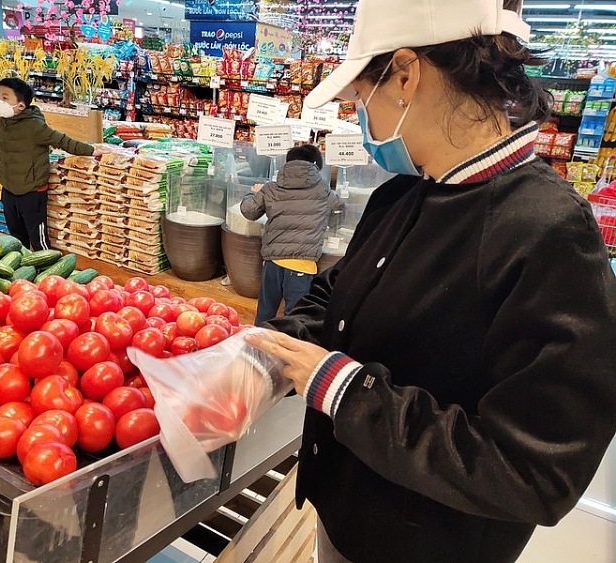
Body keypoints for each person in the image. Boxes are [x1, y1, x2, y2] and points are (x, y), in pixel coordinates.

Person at [243, 0, 616, 561]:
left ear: (406, 73)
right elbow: (334, 296)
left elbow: (536, 470)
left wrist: (342, 389)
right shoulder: (403, 194)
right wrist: (270, 348)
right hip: (345, 519)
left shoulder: (550, 233)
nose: (361, 123)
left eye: (359, 101)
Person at [240, 144, 343, 325]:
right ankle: (282, 351)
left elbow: (249, 211)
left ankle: (256, 349)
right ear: (316, 165)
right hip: (302, 264)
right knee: (293, 318)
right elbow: (339, 215)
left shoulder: (271, 188)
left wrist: (252, 193)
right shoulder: (324, 191)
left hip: (273, 262)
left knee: (265, 313)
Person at [0, 77, 99, 251]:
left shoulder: (35, 126)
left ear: (21, 106)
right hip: (9, 189)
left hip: (32, 191)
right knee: (16, 238)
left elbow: (63, 141)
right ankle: (21, 270)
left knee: (38, 237)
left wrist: (91, 150)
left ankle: (46, 268)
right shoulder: (1, 122)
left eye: (5, 98)